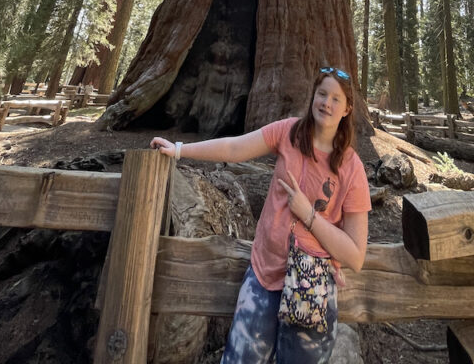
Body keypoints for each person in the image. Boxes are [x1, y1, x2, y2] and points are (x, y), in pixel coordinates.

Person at [150, 65, 371, 363]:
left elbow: (356, 256)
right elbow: (234, 148)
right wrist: (178, 149)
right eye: (321, 94)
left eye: (335, 99)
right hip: (264, 275)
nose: (326, 103)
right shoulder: (289, 132)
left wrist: (308, 214)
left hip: (311, 287)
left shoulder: (352, 168)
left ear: (347, 109)